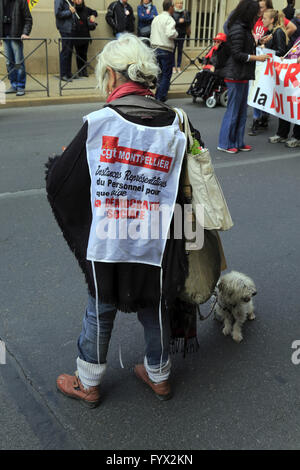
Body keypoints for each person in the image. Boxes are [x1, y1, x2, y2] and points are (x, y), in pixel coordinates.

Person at [45, 34, 204, 407]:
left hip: (110, 234)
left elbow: (61, 180)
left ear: (113, 77)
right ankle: (159, 375)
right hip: (160, 234)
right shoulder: (176, 120)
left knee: (101, 305)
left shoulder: (100, 122)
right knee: (154, 300)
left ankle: (88, 383)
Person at [216, 0, 268, 154]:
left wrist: (258, 42)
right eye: (255, 12)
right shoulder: (238, 28)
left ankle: (238, 142)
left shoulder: (242, 27)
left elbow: (242, 47)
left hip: (242, 74)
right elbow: (237, 54)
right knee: (233, 111)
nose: (257, 15)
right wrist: (257, 57)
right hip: (235, 75)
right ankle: (225, 143)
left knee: (241, 111)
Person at [248, 0, 297, 135]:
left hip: (279, 72)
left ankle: (281, 131)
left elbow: (281, 52)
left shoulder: (278, 33)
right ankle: (274, 127)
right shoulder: (274, 33)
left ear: (271, 20)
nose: (262, 21)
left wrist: (266, 51)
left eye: (264, 18)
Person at [0, 0, 32, 96]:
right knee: (9, 63)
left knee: (18, 62)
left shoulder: (21, 1)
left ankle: (20, 86)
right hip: (5, 36)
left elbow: (28, 19)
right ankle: (13, 85)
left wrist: (25, 33)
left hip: (16, 36)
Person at [150, 0, 178, 102]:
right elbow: (170, 33)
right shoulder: (169, 20)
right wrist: (176, 33)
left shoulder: (156, 18)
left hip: (155, 48)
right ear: (170, 7)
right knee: (166, 74)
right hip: (166, 49)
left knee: (160, 73)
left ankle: (158, 94)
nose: (174, 9)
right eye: (173, 7)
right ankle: (160, 97)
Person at [72, 0, 97, 77]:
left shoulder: (86, 9)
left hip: (85, 35)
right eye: (77, 0)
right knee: (78, 54)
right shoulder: (73, 9)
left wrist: (93, 15)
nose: (79, 1)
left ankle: (84, 70)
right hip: (76, 35)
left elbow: (94, 12)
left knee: (84, 54)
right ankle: (80, 71)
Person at [55, 0, 77, 82]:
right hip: (65, 28)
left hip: (71, 28)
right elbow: (58, 13)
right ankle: (63, 74)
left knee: (69, 51)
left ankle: (68, 73)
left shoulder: (70, 1)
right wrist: (69, 12)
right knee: (65, 51)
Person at [172, 0, 191, 73]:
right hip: (174, 33)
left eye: (181, 3)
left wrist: (184, 21)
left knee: (180, 50)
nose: (180, 5)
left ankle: (179, 66)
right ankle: (173, 67)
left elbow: (189, 21)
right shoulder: (173, 11)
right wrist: (178, 21)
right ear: (175, 4)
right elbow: (171, 21)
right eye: (178, 3)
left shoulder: (185, 12)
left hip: (182, 33)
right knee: (173, 51)